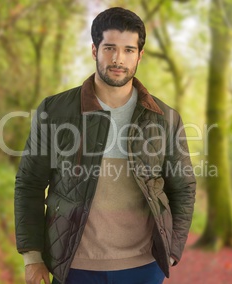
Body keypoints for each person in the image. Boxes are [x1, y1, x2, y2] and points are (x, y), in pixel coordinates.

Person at [14, 7, 196, 284]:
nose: (118, 59)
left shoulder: (165, 118)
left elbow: (183, 187)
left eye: (128, 50)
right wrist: (33, 256)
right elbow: (29, 183)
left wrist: (171, 251)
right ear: (94, 50)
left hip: (144, 267)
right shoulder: (54, 110)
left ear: (140, 55)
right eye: (109, 48)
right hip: (73, 266)